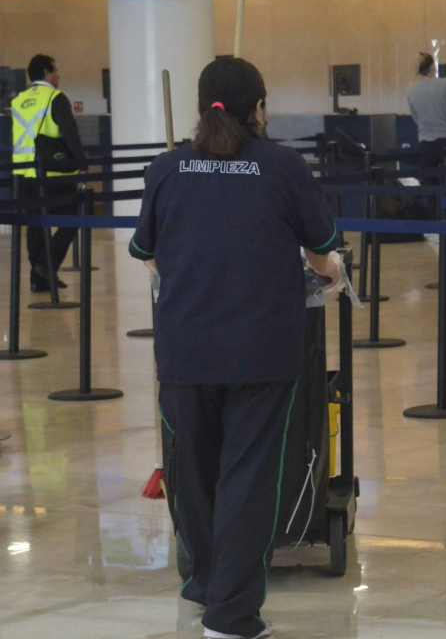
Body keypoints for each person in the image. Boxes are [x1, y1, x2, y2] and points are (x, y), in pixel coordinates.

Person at [129, 57, 340, 639]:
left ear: (202, 108)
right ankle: (231, 614)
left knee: (192, 474)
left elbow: (146, 250)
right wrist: (335, 269)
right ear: (260, 109)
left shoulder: (166, 169)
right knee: (247, 478)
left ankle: (204, 586)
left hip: (185, 350)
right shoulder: (281, 165)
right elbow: (321, 250)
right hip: (260, 351)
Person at [10, 54, 87, 293]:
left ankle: (38, 277)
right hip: (53, 172)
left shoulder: (19, 100)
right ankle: (45, 266)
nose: (58, 75)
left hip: (23, 172)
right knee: (73, 219)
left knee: (36, 224)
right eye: (55, 71)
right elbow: (69, 131)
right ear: (46, 72)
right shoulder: (55, 97)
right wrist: (81, 161)